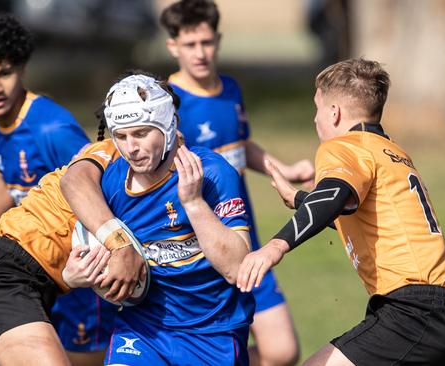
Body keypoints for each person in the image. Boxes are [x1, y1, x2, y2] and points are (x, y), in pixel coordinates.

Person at [237, 58, 445, 365]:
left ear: (335, 112)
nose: (315, 120)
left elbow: (334, 194)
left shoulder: (344, 146)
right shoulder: (392, 152)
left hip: (417, 313)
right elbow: (359, 215)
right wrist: (300, 198)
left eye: (318, 108)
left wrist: (275, 246)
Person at [0, 12, 118, 366]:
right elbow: (6, 183)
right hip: (19, 270)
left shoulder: (51, 128)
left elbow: (97, 183)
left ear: (22, 69)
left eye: (4, 73)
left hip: (77, 279)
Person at [159, 1, 313, 365]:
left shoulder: (230, 89)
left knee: (282, 351)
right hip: (198, 248)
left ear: (219, 41)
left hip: (248, 238)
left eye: (207, 42)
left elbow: (240, 144)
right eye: (191, 44)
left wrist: (285, 170)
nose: (200, 53)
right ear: (173, 46)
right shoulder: (167, 102)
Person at [80, 72, 256, 365]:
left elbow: (237, 269)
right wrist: (77, 274)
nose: (130, 148)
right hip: (142, 328)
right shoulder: (112, 183)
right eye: (120, 137)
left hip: (212, 334)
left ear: (168, 126)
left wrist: (194, 203)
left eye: (140, 133)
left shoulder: (212, 173)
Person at [0, 135, 144, 365]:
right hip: (3, 277)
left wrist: (65, 279)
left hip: (30, 285)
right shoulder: (109, 154)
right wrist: (120, 246)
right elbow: (74, 181)